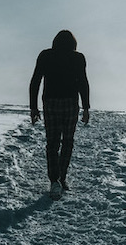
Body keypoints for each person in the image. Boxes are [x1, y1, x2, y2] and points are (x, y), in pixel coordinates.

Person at [29, 30, 90, 199]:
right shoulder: (78, 58)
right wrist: (86, 108)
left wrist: (33, 107)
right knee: (67, 142)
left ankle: (54, 180)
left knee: (52, 143)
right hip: (70, 104)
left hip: (50, 103)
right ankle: (61, 178)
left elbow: (35, 81)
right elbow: (83, 82)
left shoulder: (45, 55)